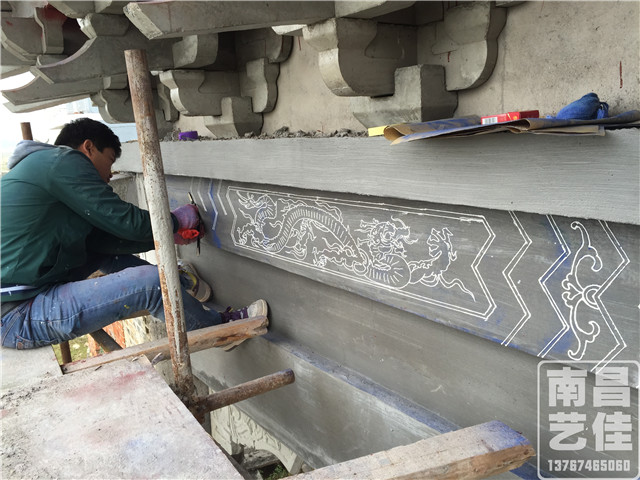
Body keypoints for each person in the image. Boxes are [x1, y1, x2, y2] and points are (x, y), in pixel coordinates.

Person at [1, 118, 266, 350]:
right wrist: (175, 221)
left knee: (101, 253)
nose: (109, 175)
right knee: (153, 284)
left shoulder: (42, 168)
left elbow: (104, 241)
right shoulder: (64, 161)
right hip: (18, 313)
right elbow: (123, 220)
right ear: (88, 148)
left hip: (24, 299)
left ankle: (180, 282)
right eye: (110, 161)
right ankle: (221, 331)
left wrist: (167, 234)